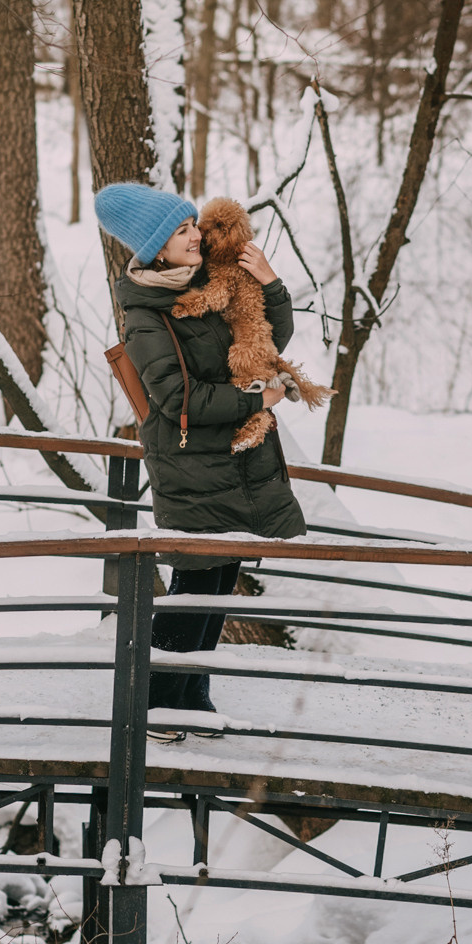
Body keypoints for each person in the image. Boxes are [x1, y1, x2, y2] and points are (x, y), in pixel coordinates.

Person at [95, 181, 307, 732]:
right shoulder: (146, 315)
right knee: (194, 587)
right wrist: (253, 398)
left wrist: (270, 284)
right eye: (181, 230)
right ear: (154, 246)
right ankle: (157, 705)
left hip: (234, 463)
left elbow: (263, 338)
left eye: (193, 225)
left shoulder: (212, 282)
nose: (195, 236)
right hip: (192, 468)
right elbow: (175, 399)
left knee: (219, 583)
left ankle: (191, 696)